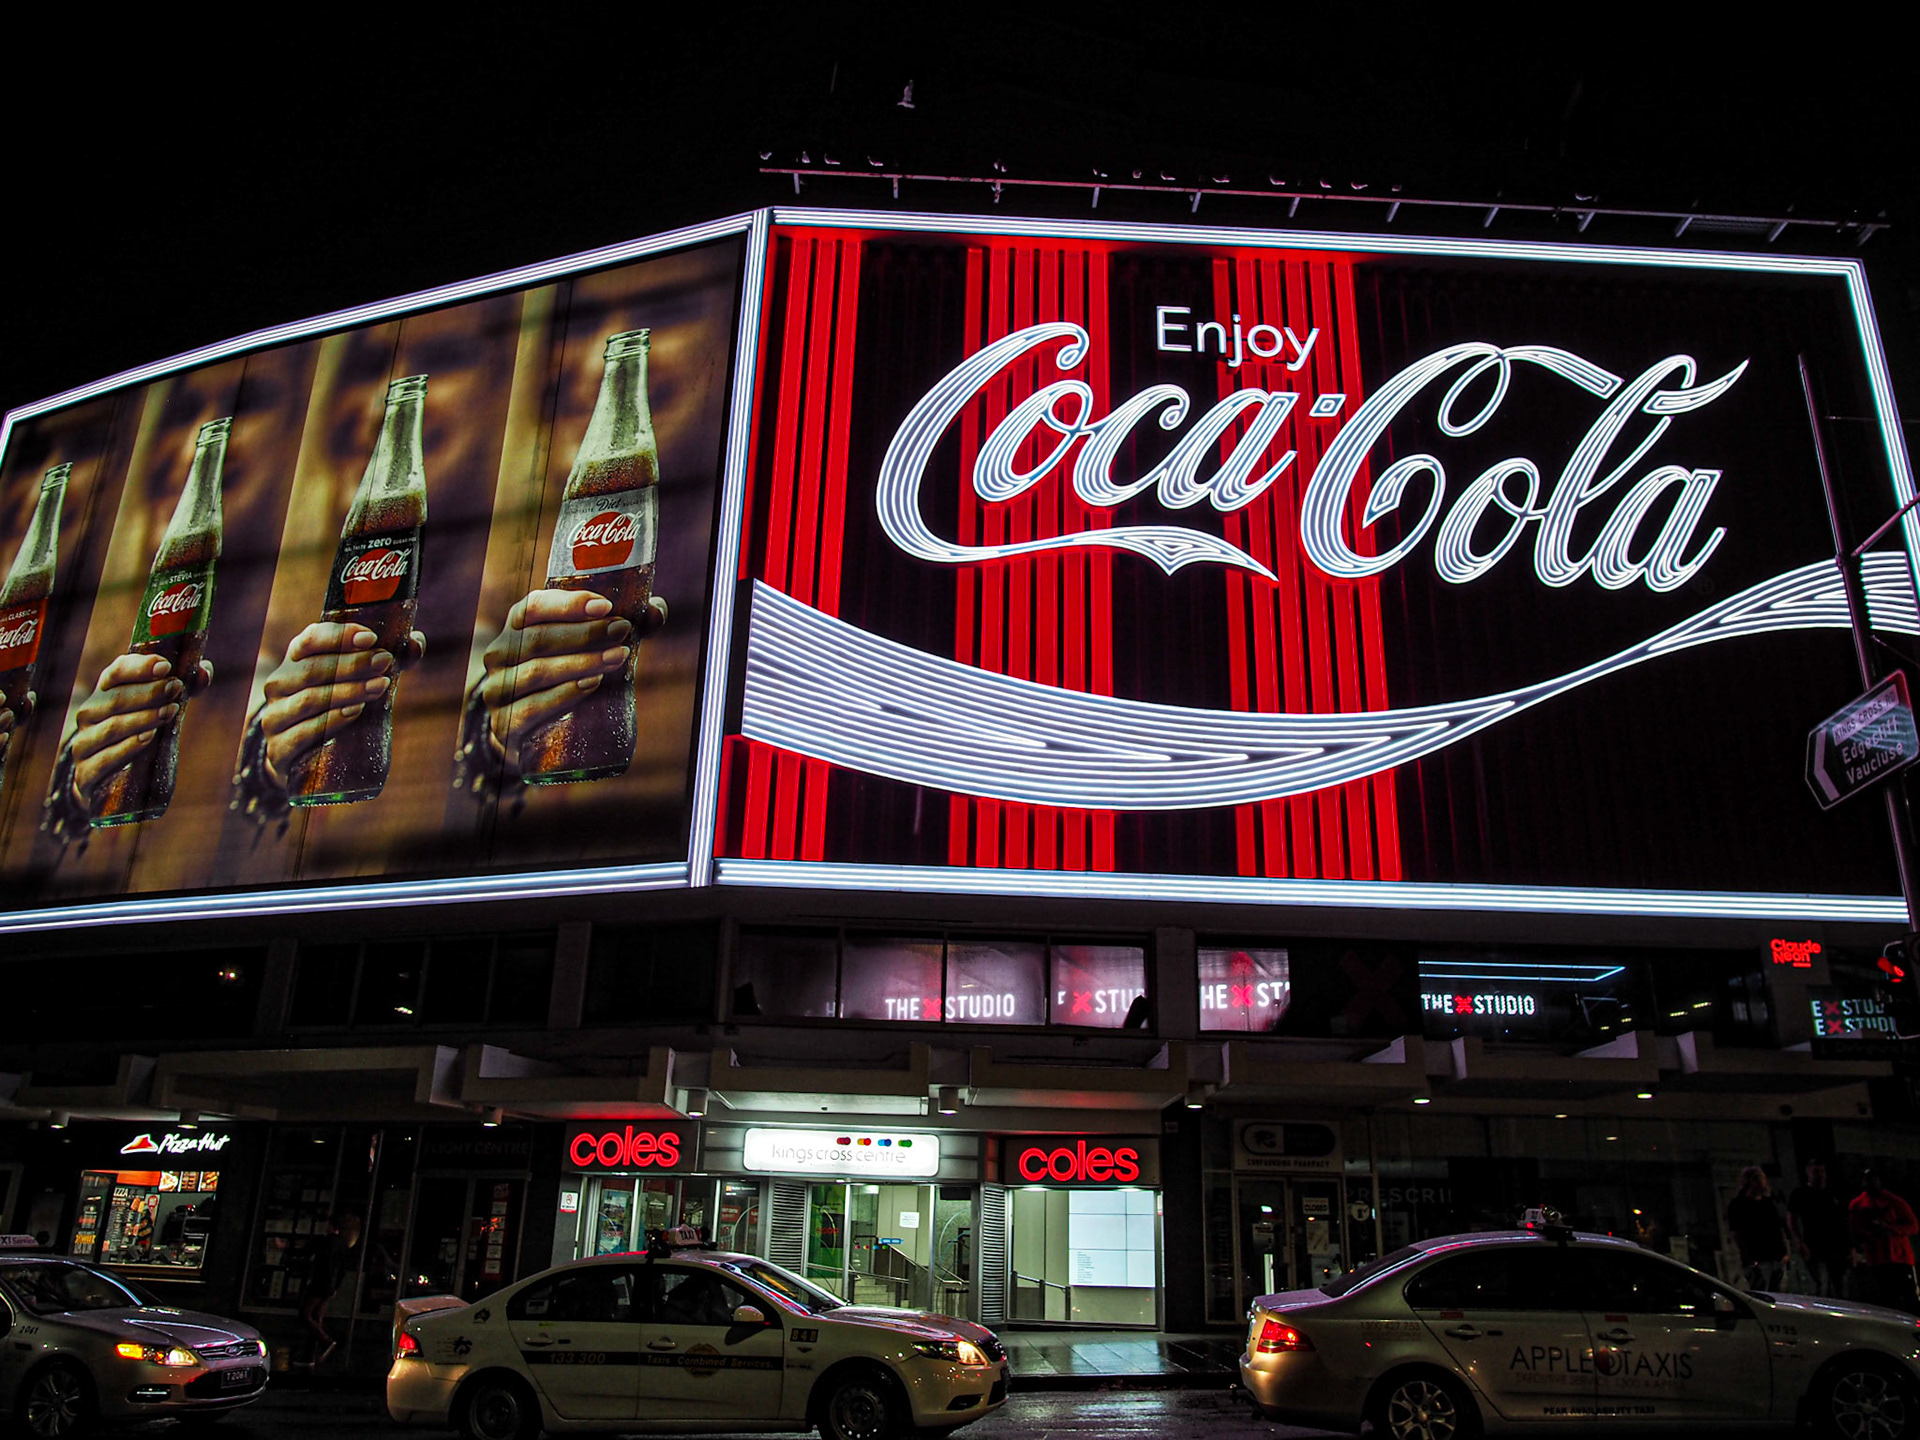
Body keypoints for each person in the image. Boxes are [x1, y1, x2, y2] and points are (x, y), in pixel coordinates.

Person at [1850, 1170, 1920, 1313]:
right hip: (1877, 1258)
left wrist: (1891, 1229)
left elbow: (1913, 1226)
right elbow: (1855, 1229)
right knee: (1886, 1297)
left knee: (1909, 1296)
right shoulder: (1858, 1205)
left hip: (1899, 1257)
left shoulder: (1895, 1202)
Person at [298, 1212, 363, 1365]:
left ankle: (326, 1341)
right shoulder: (342, 1244)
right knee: (317, 1318)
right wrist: (335, 1287)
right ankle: (311, 1356)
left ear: (332, 1226)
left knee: (306, 1314)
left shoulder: (325, 1242)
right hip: (329, 1286)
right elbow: (342, 1269)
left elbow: (309, 1255)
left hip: (320, 1283)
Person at [1789, 1158, 1852, 1298]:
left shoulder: (1834, 1192)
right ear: (1808, 1173)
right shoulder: (1800, 1194)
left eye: (1822, 1171)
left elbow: (1845, 1220)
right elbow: (1792, 1220)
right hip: (1814, 1246)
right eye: (1816, 1172)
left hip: (1837, 1247)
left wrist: (1849, 1246)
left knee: (1840, 1284)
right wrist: (1799, 1242)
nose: (1820, 1175)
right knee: (1820, 1284)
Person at [1726, 1164, 1789, 1292]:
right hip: (1758, 1258)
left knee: (1778, 1293)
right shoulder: (1738, 1205)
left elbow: (1777, 1228)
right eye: (1762, 1179)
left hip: (1776, 1257)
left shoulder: (1767, 1202)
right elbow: (1736, 1233)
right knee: (1762, 1292)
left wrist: (1784, 1252)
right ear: (1753, 1181)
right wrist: (1749, 1258)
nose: (1765, 1183)